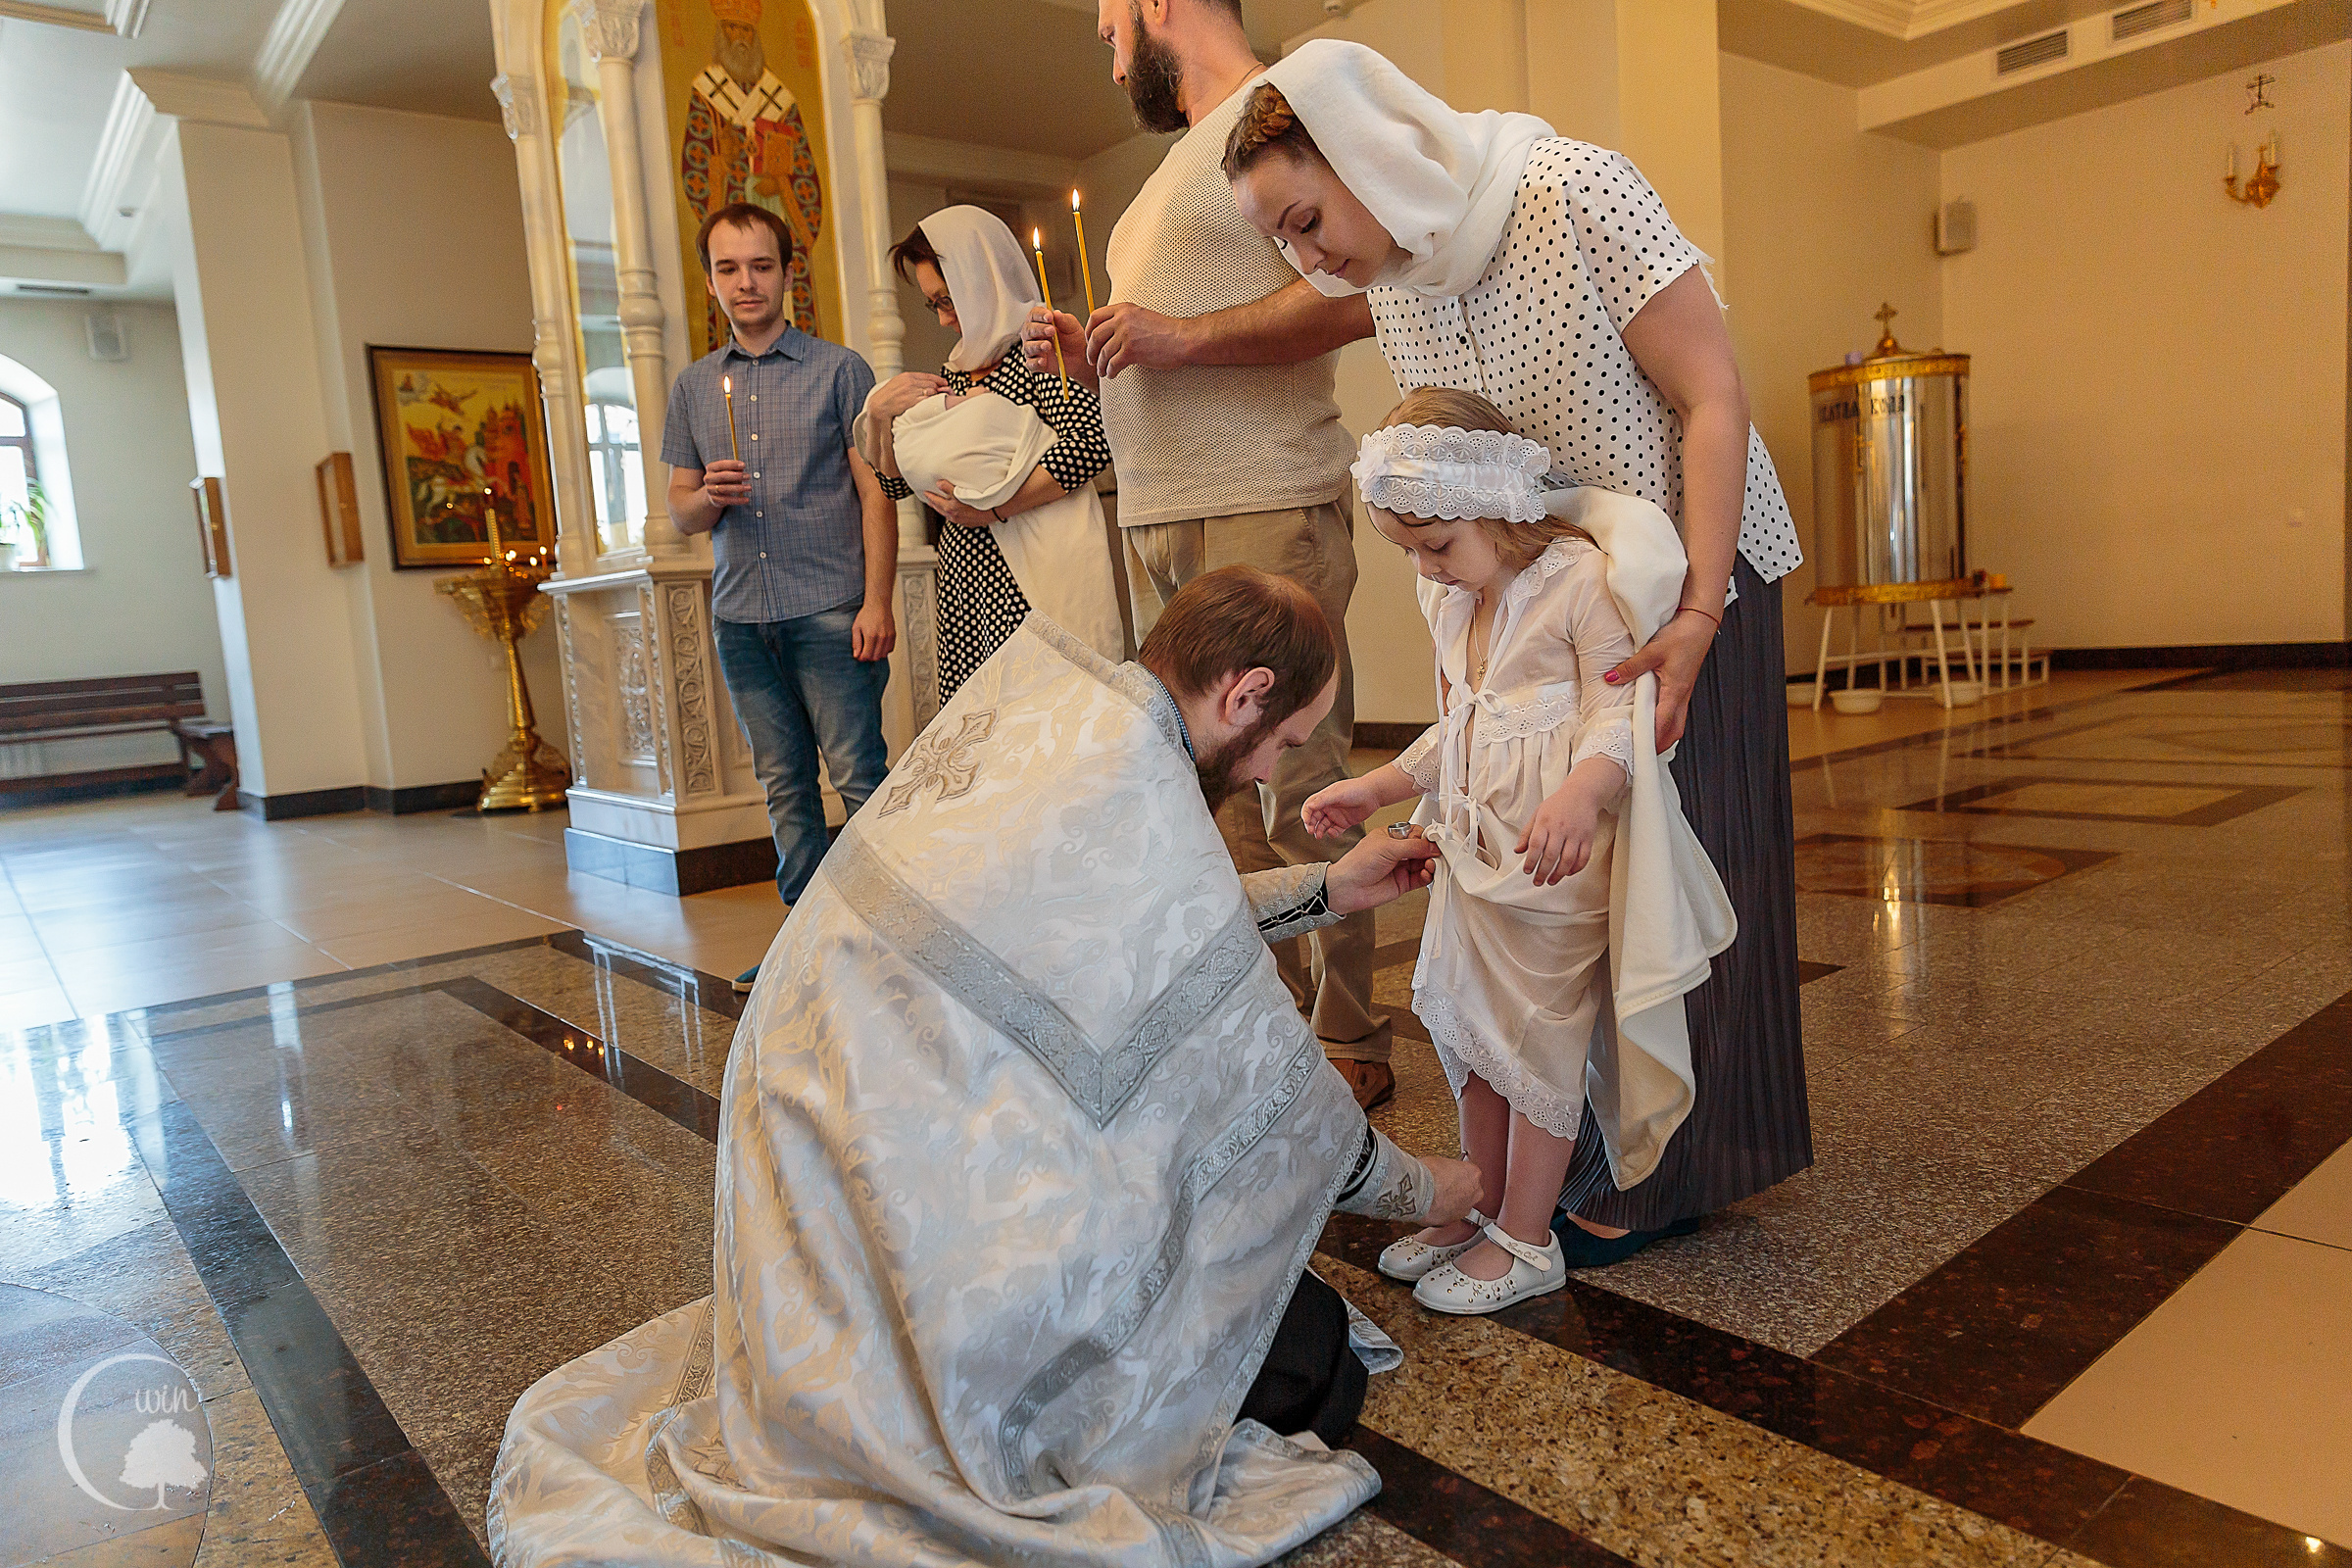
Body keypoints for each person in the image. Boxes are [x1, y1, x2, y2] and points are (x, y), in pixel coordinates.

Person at [490, 569, 1482, 1568]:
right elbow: (1278, 1093)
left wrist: (1325, 889)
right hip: (919, 1167)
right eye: (1281, 739)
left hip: (821, 1130)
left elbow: (1152, 932)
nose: (1274, 769)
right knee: (1304, 1359)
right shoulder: (1133, 766)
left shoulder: (1064, 712)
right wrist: (1432, 1184)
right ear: (1244, 692)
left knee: (1246, 1287)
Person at [1224, 40, 1812, 1263]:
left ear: (1366, 152)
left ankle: (1678, 1168)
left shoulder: (1572, 189)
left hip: (1692, 572)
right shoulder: (1397, 276)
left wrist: (1698, 612)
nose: (1309, 256)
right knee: (1571, 897)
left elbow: (1713, 394)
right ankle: (1576, 1153)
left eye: (1306, 217)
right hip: (1556, 595)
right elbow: (1461, 472)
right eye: (1284, 239)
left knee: (1688, 868)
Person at [1020, 0, 1397, 1111]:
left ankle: (1354, 1034)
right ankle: (1267, 1032)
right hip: (1159, 515)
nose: (1103, 38)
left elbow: (1360, 290)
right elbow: (1163, 361)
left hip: (1264, 502)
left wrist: (1177, 339)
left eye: (1107, 16)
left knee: (1301, 781)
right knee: (1212, 798)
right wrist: (1096, 364)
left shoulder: (1281, 115)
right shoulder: (1153, 189)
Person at [1304, 389, 1734, 1313]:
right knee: (1472, 1031)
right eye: (1408, 550)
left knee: (1537, 1040)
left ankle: (1528, 1237)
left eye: (1436, 544)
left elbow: (1618, 712)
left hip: (1554, 860)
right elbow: (1462, 725)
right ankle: (1479, 1202)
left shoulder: (1579, 582)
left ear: (1501, 504)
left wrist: (1583, 793)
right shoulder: (1456, 596)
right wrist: (1379, 788)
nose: (1426, 567)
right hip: (1475, 852)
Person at [662, 201, 896, 994]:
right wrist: (709, 499)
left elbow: (876, 495)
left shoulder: (840, 370)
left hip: (832, 607)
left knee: (859, 779)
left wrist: (877, 602)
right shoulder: (696, 387)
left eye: (760, 265)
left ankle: (885, 943)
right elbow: (681, 508)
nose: (745, 282)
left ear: (788, 272)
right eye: (727, 269)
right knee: (786, 787)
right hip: (740, 619)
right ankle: (804, 947)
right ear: (710, 282)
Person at [858, 206, 1123, 699]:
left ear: (983, 279)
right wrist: (879, 415)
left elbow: (1090, 447)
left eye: (949, 299)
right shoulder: (955, 369)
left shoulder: (1039, 346)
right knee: (979, 727)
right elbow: (898, 485)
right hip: (963, 576)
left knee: (1040, 714)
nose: (944, 319)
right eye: (933, 305)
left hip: (1028, 571)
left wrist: (993, 508)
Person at [679, 0, 823, 350]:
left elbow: (803, 166)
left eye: (746, 30)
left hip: (777, 210)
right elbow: (695, 162)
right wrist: (722, 165)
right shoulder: (706, 94)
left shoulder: (780, 98)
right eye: (732, 29)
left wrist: (783, 184)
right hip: (728, 200)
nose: (740, 38)